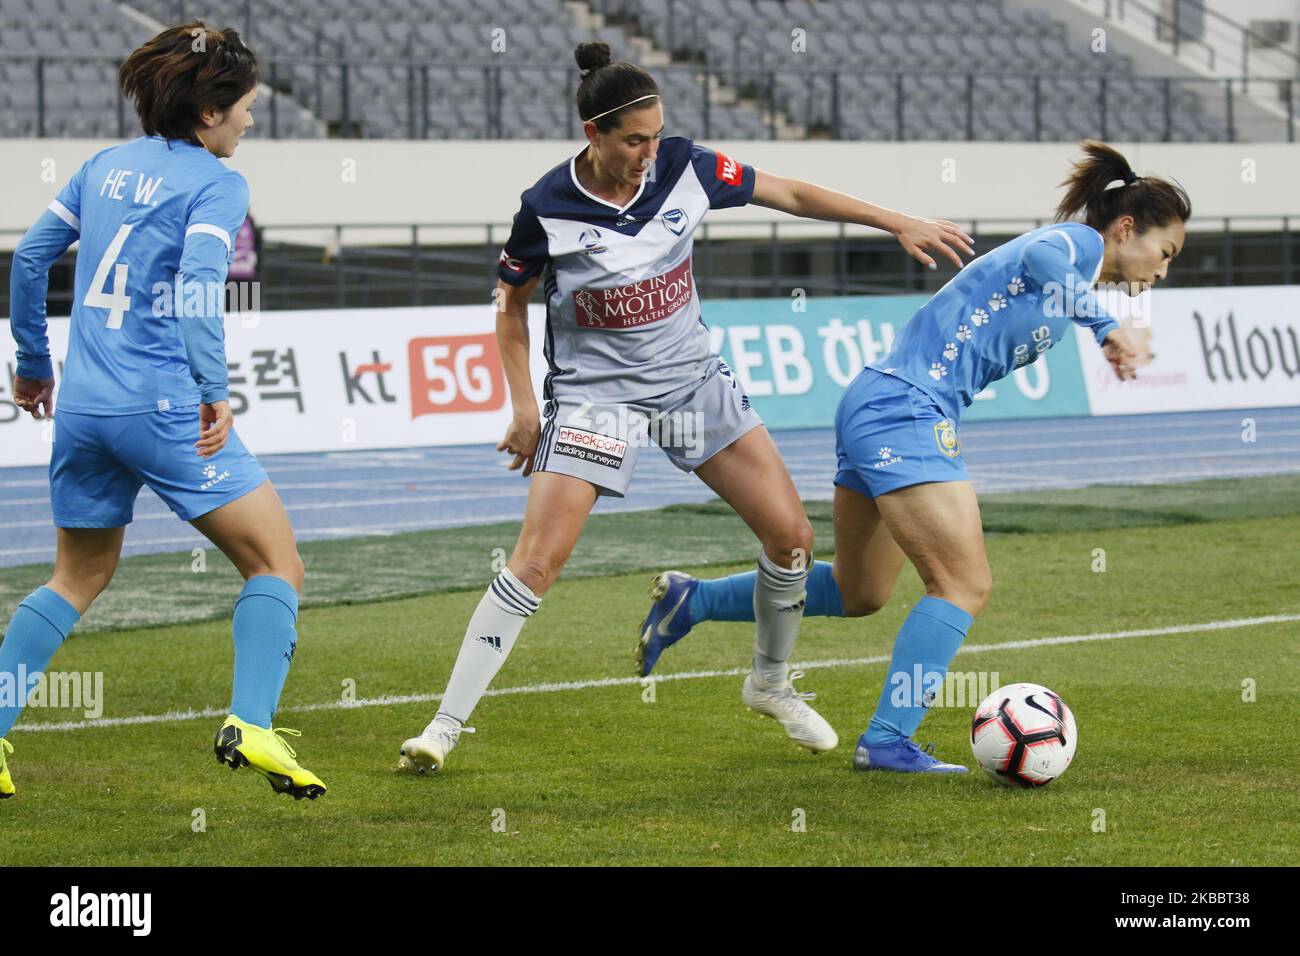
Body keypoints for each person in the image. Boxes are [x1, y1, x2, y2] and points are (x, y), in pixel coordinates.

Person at [398, 41, 974, 772]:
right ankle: (443, 728)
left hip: (691, 384)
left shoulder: (689, 167)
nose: (648, 152)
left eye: (655, 136)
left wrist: (895, 221)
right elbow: (509, 308)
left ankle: (769, 684)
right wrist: (522, 409)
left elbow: (791, 193)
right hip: (597, 399)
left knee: (792, 537)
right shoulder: (544, 209)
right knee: (537, 563)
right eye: (633, 140)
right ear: (593, 136)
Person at [638, 141, 1190, 774]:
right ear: (1124, 228)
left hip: (881, 403)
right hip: (905, 408)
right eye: (1165, 252)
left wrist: (1104, 326)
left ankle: (694, 600)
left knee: (859, 589)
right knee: (964, 583)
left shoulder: (1075, 275)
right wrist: (1103, 326)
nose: (1163, 270)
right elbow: (1044, 254)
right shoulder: (1077, 245)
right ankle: (888, 740)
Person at [1, 22, 324, 800]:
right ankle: (249, 723)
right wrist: (215, 388)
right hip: (165, 407)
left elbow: (31, 259)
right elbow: (199, 289)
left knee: (76, 577)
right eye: (246, 105)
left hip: (82, 407)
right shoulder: (216, 182)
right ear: (209, 113)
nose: (250, 118)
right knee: (275, 564)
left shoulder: (104, 166)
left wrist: (33, 364)